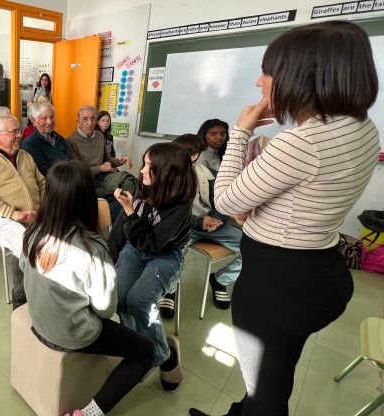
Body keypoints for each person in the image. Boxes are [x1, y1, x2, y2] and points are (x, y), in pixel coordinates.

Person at [191, 21, 381, 416]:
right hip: (318, 270)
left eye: (267, 72)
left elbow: (225, 200)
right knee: (271, 374)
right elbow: (300, 201)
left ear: (301, 76)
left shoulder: (303, 140)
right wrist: (252, 211)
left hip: (278, 284)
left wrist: (240, 132)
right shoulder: (363, 128)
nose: (260, 82)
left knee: (266, 394)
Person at [21, 160, 154, 416]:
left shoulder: (33, 231)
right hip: (71, 334)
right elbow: (105, 310)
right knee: (145, 351)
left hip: (38, 321)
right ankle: (91, 412)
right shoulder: (91, 246)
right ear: (87, 199)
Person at [108, 142, 196, 392]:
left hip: (164, 256)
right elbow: (120, 232)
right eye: (145, 164)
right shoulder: (143, 188)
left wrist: (128, 211)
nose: (143, 170)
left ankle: (160, 354)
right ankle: (144, 344)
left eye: (149, 166)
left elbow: (152, 243)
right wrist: (108, 260)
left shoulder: (181, 207)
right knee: (119, 298)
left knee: (139, 300)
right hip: (136, 249)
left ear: (167, 173)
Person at [0, 114, 45, 308]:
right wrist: (17, 215)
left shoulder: (25, 156)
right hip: (1, 218)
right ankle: (21, 297)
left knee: (61, 234)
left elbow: (42, 184)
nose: (19, 135)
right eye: (14, 132)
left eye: (18, 130)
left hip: (35, 214)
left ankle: (49, 290)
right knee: (24, 243)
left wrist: (44, 209)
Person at [173, 134, 242, 309]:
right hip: (185, 228)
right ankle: (170, 290)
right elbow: (169, 213)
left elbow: (225, 201)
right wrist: (198, 224)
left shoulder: (209, 175)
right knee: (171, 257)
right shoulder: (167, 175)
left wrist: (217, 219)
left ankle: (220, 279)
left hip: (214, 226)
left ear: (194, 156)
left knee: (253, 249)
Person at [67, 105, 135, 198]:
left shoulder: (100, 136)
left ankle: (125, 209)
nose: (90, 123)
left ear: (96, 121)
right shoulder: (71, 141)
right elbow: (77, 171)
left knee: (129, 181)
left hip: (105, 177)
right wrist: (100, 168)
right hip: (86, 181)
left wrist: (121, 161)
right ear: (78, 122)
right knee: (110, 193)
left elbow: (109, 160)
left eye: (92, 118)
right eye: (85, 119)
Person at [20, 101, 71, 176]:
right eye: (44, 118)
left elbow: (72, 163)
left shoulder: (60, 139)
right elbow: (43, 172)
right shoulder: (29, 144)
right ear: (34, 121)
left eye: (52, 117)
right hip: (52, 185)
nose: (49, 122)